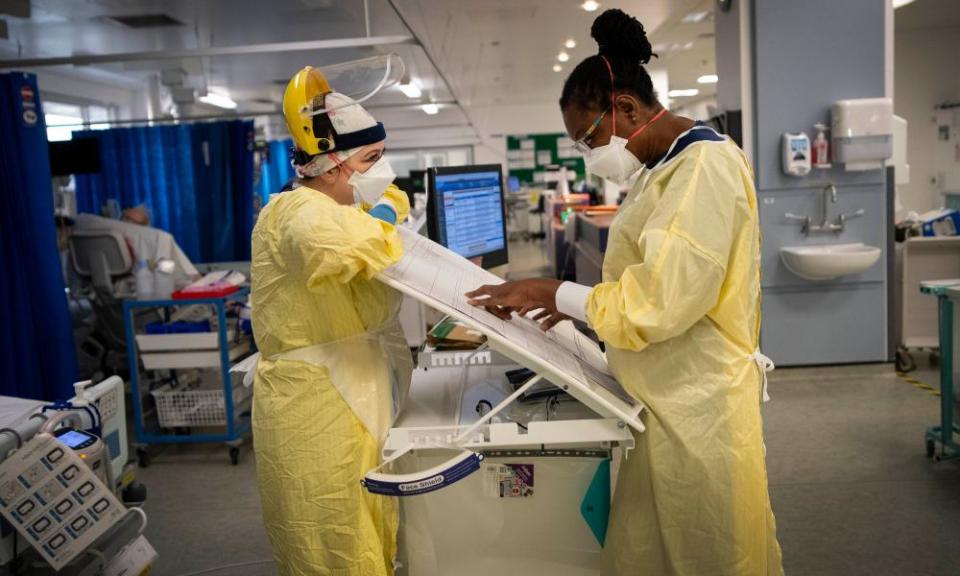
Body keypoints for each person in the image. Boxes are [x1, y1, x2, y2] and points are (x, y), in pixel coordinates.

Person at [466, 9, 784, 576]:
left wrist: (555, 290)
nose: (589, 154)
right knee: (647, 551)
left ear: (628, 110)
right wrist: (568, 307)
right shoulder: (658, 171)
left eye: (590, 138)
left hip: (698, 409)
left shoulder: (704, 168)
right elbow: (642, 285)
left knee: (709, 554)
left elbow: (657, 301)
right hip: (661, 402)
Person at [250, 66, 412, 576]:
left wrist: (379, 215)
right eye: (370, 160)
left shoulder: (335, 208)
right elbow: (340, 247)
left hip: (351, 389)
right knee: (332, 540)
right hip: (315, 407)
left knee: (369, 527)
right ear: (332, 163)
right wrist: (383, 218)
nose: (380, 172)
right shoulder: (296, 213)